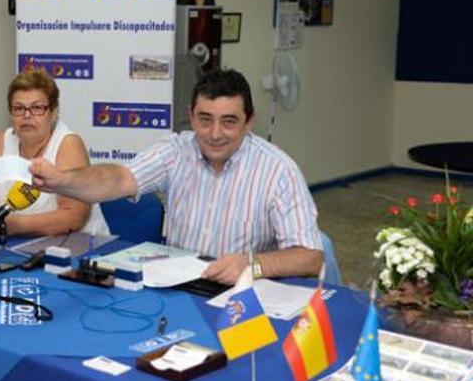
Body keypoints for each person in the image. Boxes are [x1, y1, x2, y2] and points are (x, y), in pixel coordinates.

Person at [30, 69, 322, 284]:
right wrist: (63, 181)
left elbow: (310, 256)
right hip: (178, 285)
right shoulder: (175, 151)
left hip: (243, 290)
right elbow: (119, 179)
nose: (215, 133)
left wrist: (253, 264)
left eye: (229, 122)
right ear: (191, 116)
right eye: (205, 119)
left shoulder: (278, 170)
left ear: (249, 122)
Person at [0, 69, 110, 236]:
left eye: (37, 108)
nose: (27, 115)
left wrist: (19, 225)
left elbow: (74, 217)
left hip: (78, 247)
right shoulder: (2, 140)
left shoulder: (68, 144)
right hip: (20, 242)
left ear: (54, 112)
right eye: (19, 108)